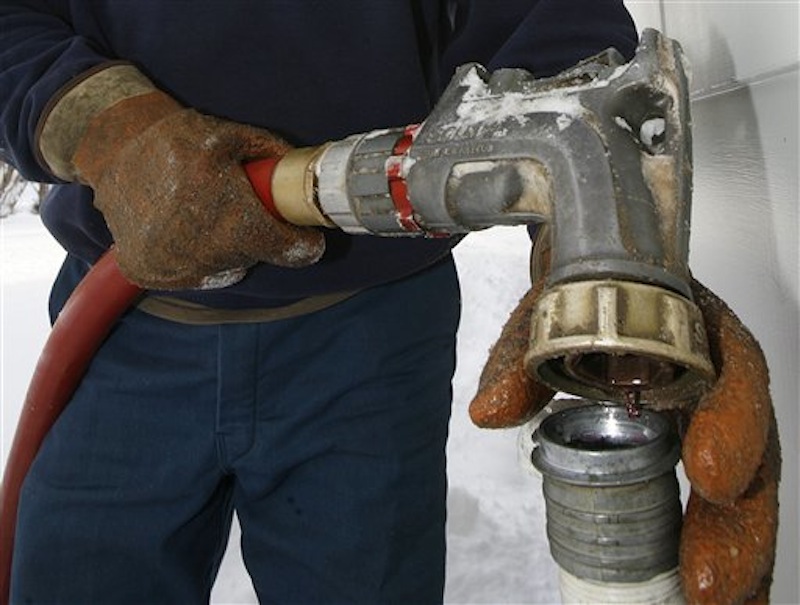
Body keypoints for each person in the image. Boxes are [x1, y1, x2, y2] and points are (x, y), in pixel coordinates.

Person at [0, 1, 779, 603]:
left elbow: (556, 28)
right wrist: (106, 123)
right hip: (122, 332)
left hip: (368, 338)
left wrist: (608, 254)